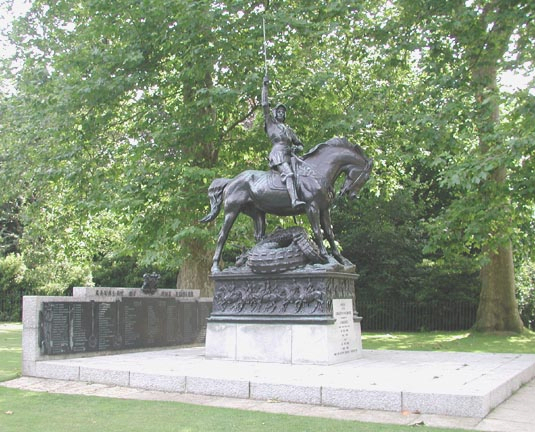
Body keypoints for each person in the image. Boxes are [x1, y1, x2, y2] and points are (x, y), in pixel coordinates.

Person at [262, 75, 305, 208]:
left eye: (283, 112)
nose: (281, 113)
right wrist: (265, 87)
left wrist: (297, 148)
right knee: (289, 174)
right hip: (278, 155)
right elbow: (264, 105)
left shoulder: (289, 130)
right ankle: (294, 201)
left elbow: (300, 144)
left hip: (291, 156)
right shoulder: (271, 124)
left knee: (304, 176)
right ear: (275, 113)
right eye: (279, 111)